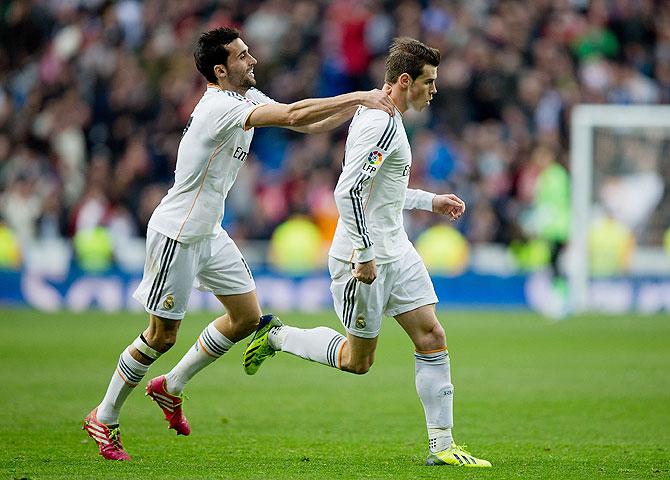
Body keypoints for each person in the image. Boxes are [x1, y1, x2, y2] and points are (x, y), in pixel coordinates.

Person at [82, 26, 395, 461]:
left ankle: (169, 387)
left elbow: (304, 121)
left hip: (209, 232)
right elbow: (291, 117)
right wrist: (359, 97)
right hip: (179, 233)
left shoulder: (247, 98)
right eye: (242, 55)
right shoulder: (217, 108)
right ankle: (105, 415)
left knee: (247, 318)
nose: (253, 60)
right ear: (220, 69)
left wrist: (364, 113)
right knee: (161, 335)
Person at [243, 38, 491, 468]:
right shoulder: (379, 124)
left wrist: (431, 201)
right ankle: (277, 335)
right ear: (404, 80)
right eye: (428, 82)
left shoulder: (389, 118)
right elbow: (349, 190)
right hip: (363, 260)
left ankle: (443, 445)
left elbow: (384, 191)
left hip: (397, 251)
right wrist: (364, 250)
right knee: (357, 362)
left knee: (432, 336)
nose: (434, 91)